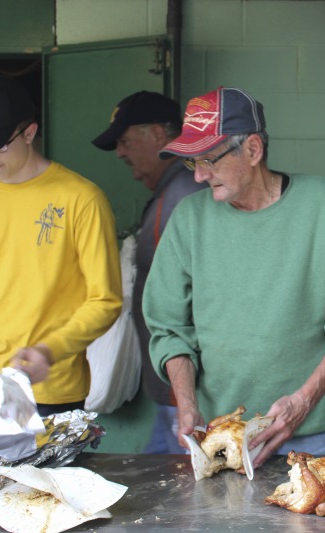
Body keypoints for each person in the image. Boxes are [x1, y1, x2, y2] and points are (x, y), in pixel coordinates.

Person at [143, 86, 325, 466]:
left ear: (253, 150)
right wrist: (187, 405)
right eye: (193, 163)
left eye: (209, 159)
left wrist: (303, 402)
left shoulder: (320, 203)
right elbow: (169, 327)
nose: (199, 176)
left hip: (312, 434)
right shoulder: (190, 218)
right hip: (220, 433)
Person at [0, 74, 122, 416]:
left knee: (42, 475)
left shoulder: (81, 199)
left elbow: (105, 300)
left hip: (47, 392)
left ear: (29, 132)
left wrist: (50, 349)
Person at [92, 91, 206, 454]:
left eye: (125, 141)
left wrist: (187, 393)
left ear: (158, 134)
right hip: (173, 390)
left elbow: (198, 296)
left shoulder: (187, 193)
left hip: (185, 392)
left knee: (183, 498)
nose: (121, 153)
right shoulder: (172, 191)